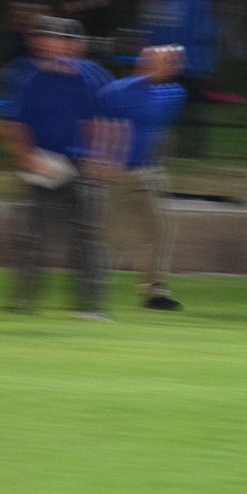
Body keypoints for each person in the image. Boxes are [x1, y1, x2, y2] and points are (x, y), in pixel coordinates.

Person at [0, 15, 113, 319]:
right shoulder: (23, 75)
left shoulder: (92, 76)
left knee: (86, 236)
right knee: (33, 235)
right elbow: (9, 121)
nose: (53, 44)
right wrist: (27, 156)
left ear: (77, 45)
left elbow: (100, 120)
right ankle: (24, 303)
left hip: (79, 163)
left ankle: (89, 306)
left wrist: (98, 156)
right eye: (47, 38)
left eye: (63, 40)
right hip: (41, 162)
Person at [96, 44, 188, 310]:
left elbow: (161, 130)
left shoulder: (175, 94)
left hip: (146, 172)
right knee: (109, 234)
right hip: (117, 171)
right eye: (165, 60)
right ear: (145, 63)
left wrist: (160, 163)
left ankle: (153, 291)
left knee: (159, 229)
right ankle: (93, 288)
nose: (171, 65)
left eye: (174, 61)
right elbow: (97, 125)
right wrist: (102, 161)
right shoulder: (118, 92)